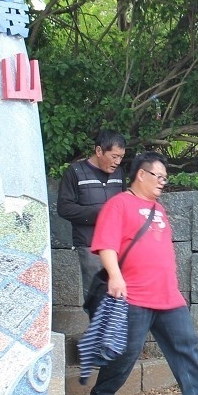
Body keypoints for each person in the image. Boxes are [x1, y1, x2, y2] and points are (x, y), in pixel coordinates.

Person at [88, 151, 198, 395]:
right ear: (141, 174)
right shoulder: (119, 205)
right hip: (133, 294)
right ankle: (103, 392)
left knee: (185, 344)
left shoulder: (158, 210)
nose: (162, 182)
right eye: (158, 176)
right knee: (127, 349)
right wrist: (115, 276)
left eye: (165, 178)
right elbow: (107, 244)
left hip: (168, 295)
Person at [56, 130, 127, 317]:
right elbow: (64, 208)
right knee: (97, 296)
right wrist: (101, 213)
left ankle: (117, 339)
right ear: (98, 151)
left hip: (118, 245)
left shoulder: (119, 173)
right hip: (89, 245)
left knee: (121, 295)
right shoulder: (75, 172)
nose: (117, 162)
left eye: (121, 157)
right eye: (114, 156)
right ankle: (98, 341)